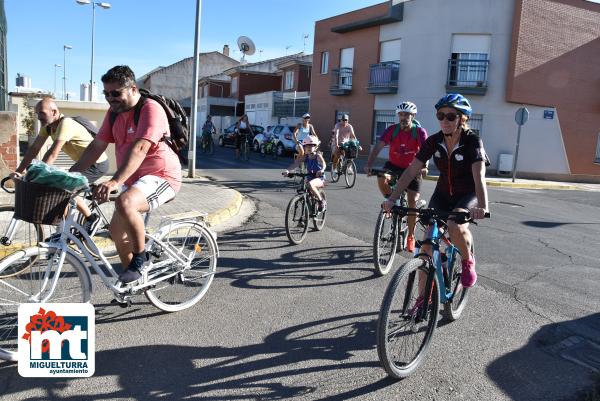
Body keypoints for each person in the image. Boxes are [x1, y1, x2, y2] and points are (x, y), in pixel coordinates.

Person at [70, 65, 182, 284]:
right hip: (134, 180)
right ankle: (133, 283)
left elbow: (140, 148)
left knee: (125, 202)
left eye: (116, 93)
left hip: (162, 176)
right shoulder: (114, 114)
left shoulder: (150, 109)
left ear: (132, 89)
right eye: (107, 94)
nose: (110, 99)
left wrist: (114, 181)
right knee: (116, 232)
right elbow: (96, 146)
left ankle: (141, 258)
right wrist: (69, 175)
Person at [382, 93, 489, 288]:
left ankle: (467, 261)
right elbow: (410, 171)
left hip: (468, 194)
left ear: (462, 118)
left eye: (451, 116)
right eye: (441, 116)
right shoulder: (434, 141)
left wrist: (482, 206)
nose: (445, 121)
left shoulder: (472, 141)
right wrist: (392, 199)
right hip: (442, 194)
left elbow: (479, 175)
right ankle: (421, 301)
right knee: (426, 247)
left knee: (455, 225)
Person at [11, 97, 110, 233]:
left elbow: (53, 153)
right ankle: (65, 231)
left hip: (97, 164)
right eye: (37, 114)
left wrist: (37, 175)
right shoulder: (48, 127)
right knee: (60, 190)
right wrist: (19, 171)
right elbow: (34, 149)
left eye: (42, 113)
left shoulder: (66, 123)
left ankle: (91, 218)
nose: (39, 117)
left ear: (54, 111)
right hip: (82, 163)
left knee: (63, 190)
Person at [365, 101, 428, 252]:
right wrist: (369, 164)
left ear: (413, 116)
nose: (403, 117)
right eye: (401, 114)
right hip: (393, 165)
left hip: (412, 168)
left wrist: (424, 166)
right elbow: (378, 146)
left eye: (407, 114)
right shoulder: (392, 130)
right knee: (381, 176)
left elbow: (426, 150)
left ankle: (411, 236)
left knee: (412, 204)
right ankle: (390, 200)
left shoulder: (419, 132)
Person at [282, 135, 327, 211]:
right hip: (309, 177)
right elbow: (296, 164)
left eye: (311, 146)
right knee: (301, 188)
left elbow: (324, 164)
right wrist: (288, 171)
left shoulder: (318, 156)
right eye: (306, 146)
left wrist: (321, 170)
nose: (309, 148)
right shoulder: (305, 156)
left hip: (319, 178)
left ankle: (321, 201)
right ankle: (306, 209)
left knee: (310, 184)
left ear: (315, 147)